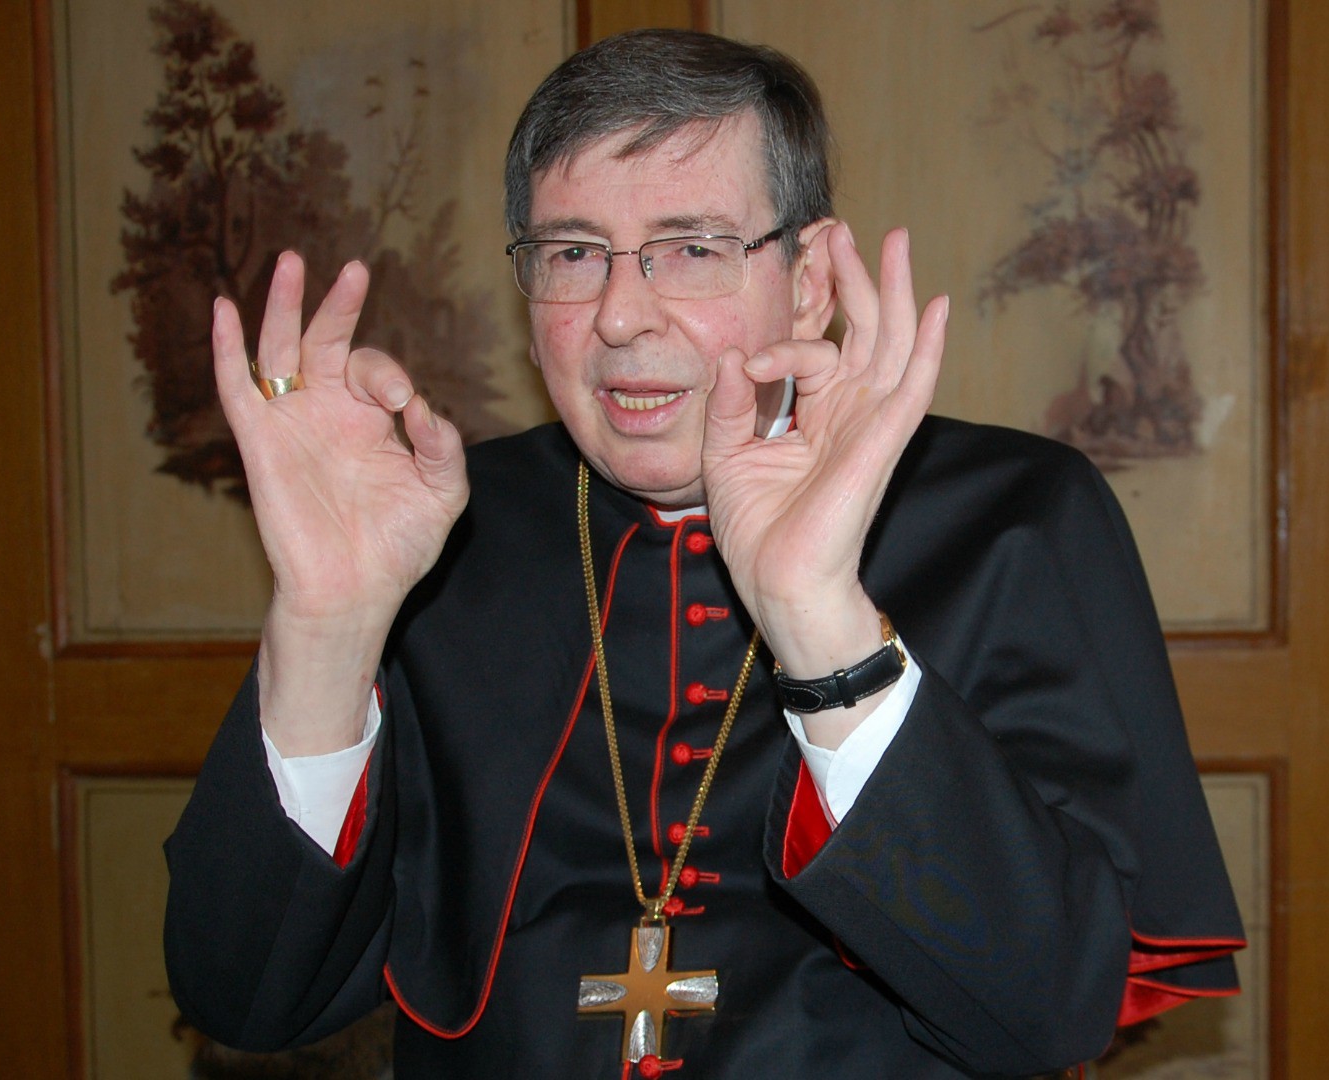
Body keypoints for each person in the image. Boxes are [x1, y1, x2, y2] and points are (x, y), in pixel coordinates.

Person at [165, 28, 1243, 1079]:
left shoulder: (1017, 518)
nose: (623, 316)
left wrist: (821, 618)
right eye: (575, 254)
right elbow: (248, 997)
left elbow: (1051, 1008)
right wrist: (327, 625)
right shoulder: (430, 527)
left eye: (692, 248)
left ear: (811, 279)